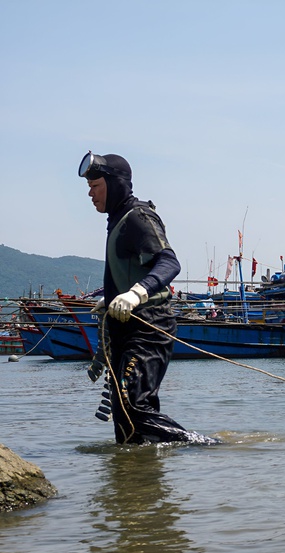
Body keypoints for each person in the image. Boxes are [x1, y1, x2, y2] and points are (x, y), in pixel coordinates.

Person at [79, 151, 204, 444]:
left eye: (95, 185)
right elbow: (128, 268)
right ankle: (137, 480)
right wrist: (111, 297)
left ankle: (203, 446)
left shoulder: (138, 218)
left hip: (149, 326)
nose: (90, 193)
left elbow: (169, 262)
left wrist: (136, 293)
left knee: (130, 403)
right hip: (125, 326)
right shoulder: (118, 220)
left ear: (115, 183)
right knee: (125, 418)